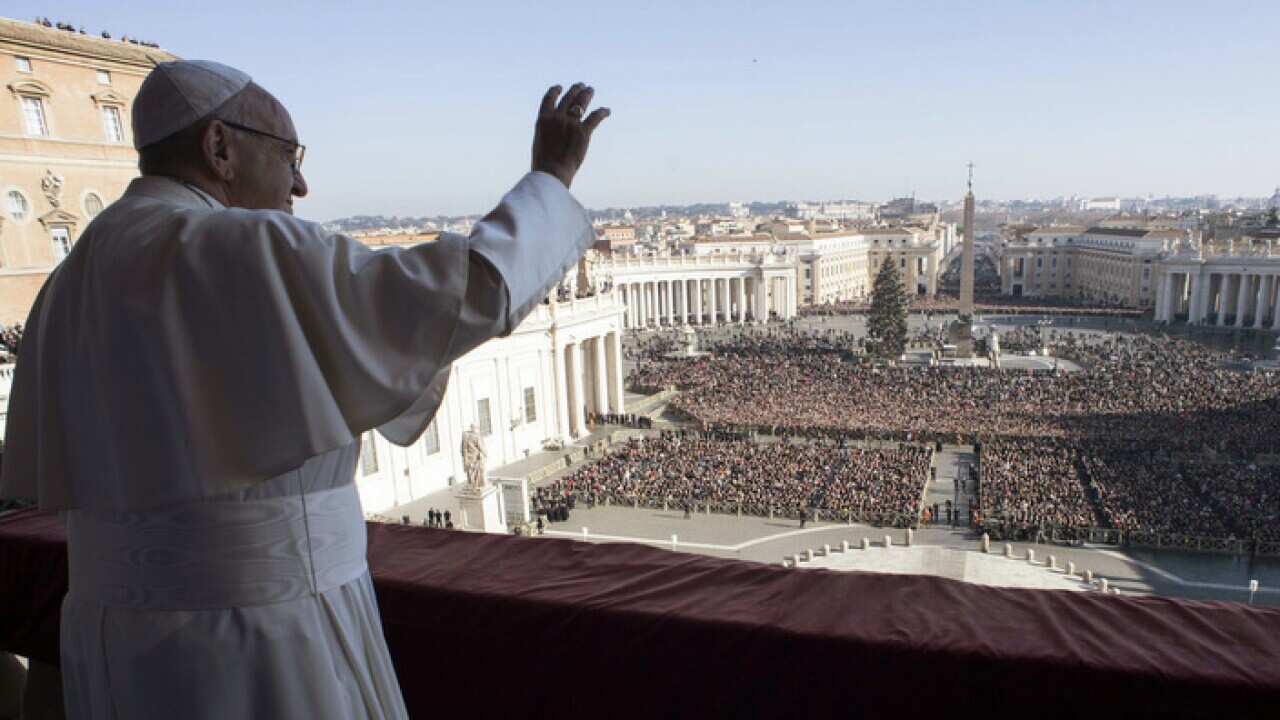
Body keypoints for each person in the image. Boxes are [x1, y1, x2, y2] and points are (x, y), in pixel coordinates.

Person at [0, 59, 609, 719]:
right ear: (220, 148)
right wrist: (551, 179)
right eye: (289, 155)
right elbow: (460, 295)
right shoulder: (240, 247)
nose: (302, 182)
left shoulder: (68, 281)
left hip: (110, 641)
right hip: (258, 640)